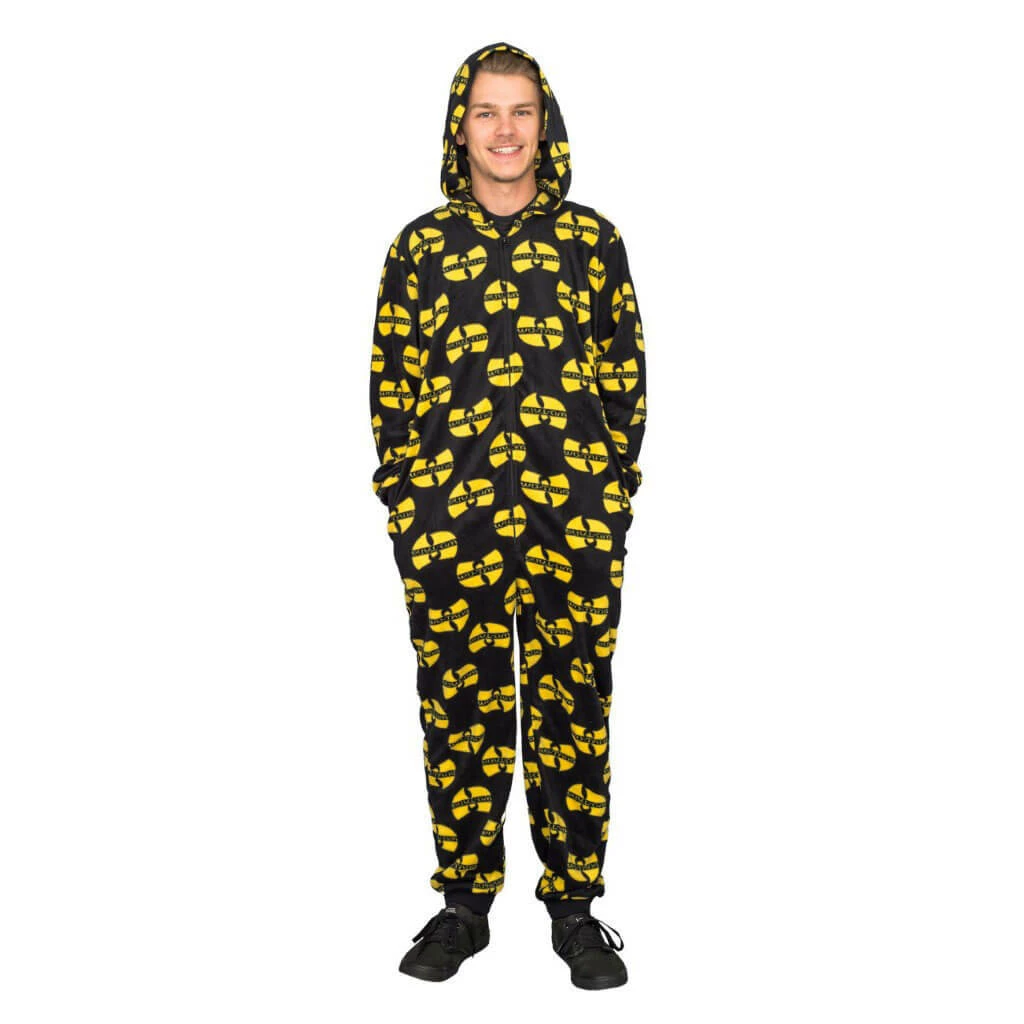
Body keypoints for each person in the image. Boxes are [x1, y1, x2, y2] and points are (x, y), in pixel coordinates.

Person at [367, 41, 647, 990]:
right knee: (458, 710)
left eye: (521, 111)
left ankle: (575, 911)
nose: (505, 130)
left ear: (545, 123)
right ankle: (464, 908)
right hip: (452, 529)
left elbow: (625, 377)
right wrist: (409, 503)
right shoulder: (419, 249)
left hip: (574, 526)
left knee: (575, 707)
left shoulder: (592, 243)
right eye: (486, 112)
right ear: (461, 127)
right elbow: (392, 388)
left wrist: (610, 496)